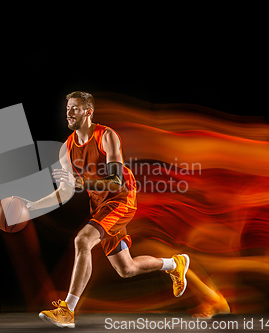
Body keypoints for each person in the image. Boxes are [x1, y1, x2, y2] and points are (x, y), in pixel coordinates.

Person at [20, 91, 190, 328]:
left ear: (88, 112)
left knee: (82, 240)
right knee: (126, 269)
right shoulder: (66, 148)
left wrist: (84, 183)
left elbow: (116, 181)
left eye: (74, 108)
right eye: (67, 108)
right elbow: (64, 192)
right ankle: (175, 264)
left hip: (122, 198)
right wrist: (31, 207)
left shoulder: (106, 136)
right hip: (101, 205)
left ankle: (67, 310)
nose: (68, 113)